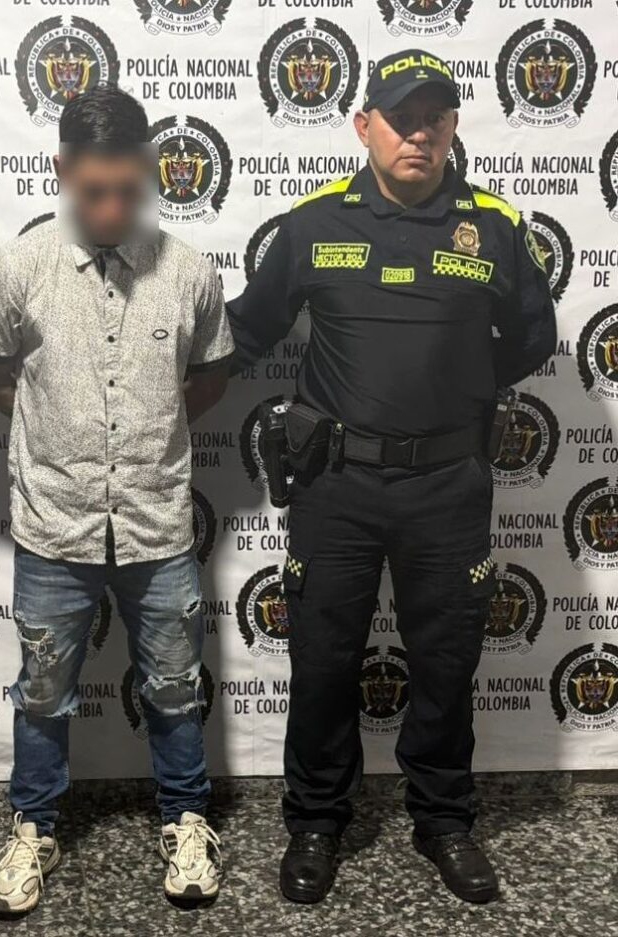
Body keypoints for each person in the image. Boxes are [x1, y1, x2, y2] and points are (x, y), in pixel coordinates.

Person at [227, 50, 555, 905]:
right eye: (401, 118)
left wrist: (457, 385)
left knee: (446, 661)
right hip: (336, 485)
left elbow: (532, 338)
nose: (419, 133)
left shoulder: (493, 226)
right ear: (363, 125)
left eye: (434, 117)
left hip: (449, 484)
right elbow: (249, 330)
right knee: (324, 659)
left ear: (452, 127)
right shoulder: (312, 225)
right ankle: (315, 820)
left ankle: (443, 820)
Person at [0, 84, 232, 916]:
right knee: (43, 692)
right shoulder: (19, 268)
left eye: (127, 188)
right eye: (93, 190)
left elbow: (212, 372)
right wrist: (45, 420)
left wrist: (150, 431)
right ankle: (33, 828)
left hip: (157, 524)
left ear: (148, 169)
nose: (112, 207)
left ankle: (186, 819)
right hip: (54, 524)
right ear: (62, 171)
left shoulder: (188, 271)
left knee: (176, 686)